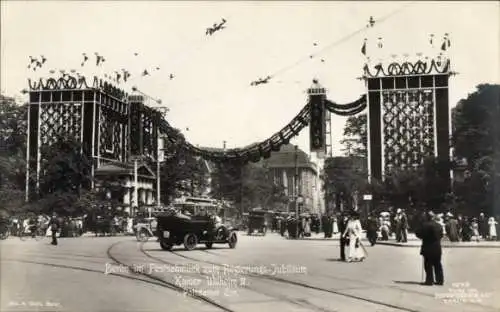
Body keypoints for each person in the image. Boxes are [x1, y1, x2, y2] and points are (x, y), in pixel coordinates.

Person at [415, 211, 444, 286]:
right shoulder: (439, 225)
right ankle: (440, 280)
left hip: (428, 247)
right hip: (437, 247)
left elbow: (418, 233)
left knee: (428, 265)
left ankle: (429, 280)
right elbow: (441, 235)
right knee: (437, 264)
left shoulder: (425, 225)